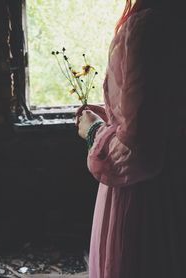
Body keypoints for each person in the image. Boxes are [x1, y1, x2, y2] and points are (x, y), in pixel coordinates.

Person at [77, 0, 186, 277]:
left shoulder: (149, 28)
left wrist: (93, 131)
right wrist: (117, 117)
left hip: (151, 205)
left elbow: (139, 154)